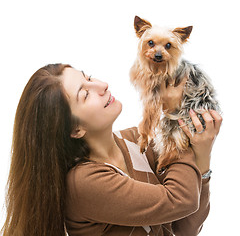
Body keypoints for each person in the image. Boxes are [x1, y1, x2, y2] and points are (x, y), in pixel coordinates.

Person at [1, 64, 222, 236]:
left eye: (88, 77)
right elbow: (180, 199)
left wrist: (202, 159)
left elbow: (185, 228)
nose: (102, 85)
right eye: (85, 94)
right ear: (75, 129)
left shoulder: (137, 140)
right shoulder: (84, 182)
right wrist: (175, 115)